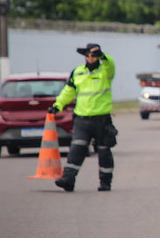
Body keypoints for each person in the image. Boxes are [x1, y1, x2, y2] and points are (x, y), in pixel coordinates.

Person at [49, 43, 117, 192]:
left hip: (101, 120)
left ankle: (105, 182)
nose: (90, 57)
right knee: (76, 149)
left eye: (93, 55)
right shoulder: (78, 72)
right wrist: (57, 105)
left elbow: (110, 64)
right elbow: (68, 91)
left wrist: (103, 56)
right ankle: (68, 179)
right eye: (87, 55)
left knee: (104, 151)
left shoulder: (106, 71)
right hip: (82, 119)